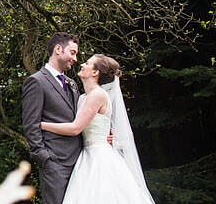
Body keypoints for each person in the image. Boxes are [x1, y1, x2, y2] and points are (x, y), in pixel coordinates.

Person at [41, 54, 155, 204]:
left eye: (87, 63)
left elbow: (75, 128)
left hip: (99, 157)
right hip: (86, 154)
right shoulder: (83, 97)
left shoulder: (98, 95)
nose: (82, 64)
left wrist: (41, 125)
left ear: (95, 72)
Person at [21, 32, 83, 204]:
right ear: (58, 49)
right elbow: (30, 124)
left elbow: (79, 119)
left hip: (80, 162)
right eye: (72, 53)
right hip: (55, 163)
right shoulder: (36, 81)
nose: (75, 59)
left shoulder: (72, 83)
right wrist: (44, 158)